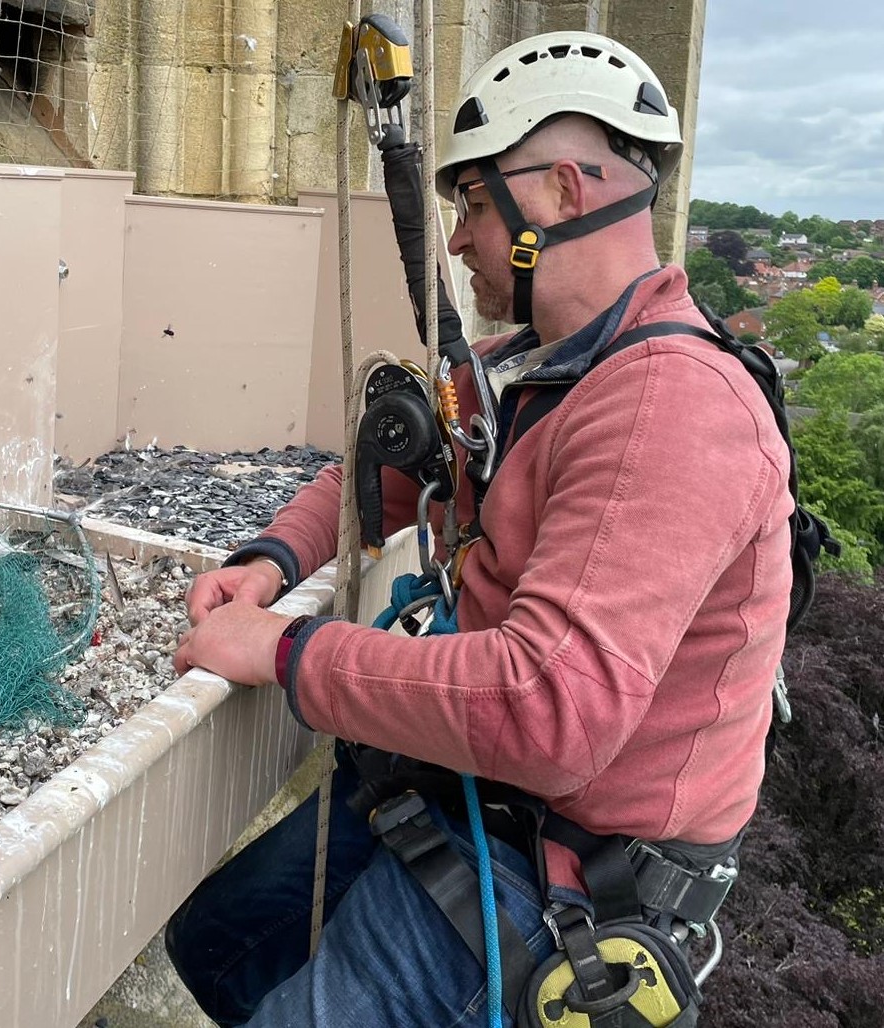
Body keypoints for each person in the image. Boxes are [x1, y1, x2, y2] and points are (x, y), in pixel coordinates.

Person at [166, 30, 793, 1028]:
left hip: (560, 871)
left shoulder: (667, 410)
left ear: (555, 194)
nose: (456, 238)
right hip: (477, 792)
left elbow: (546, 712)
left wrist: (285, 647)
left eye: (471, 202)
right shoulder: (542, 368)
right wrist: (271, 557)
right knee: (217, 939)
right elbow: (387, 457)